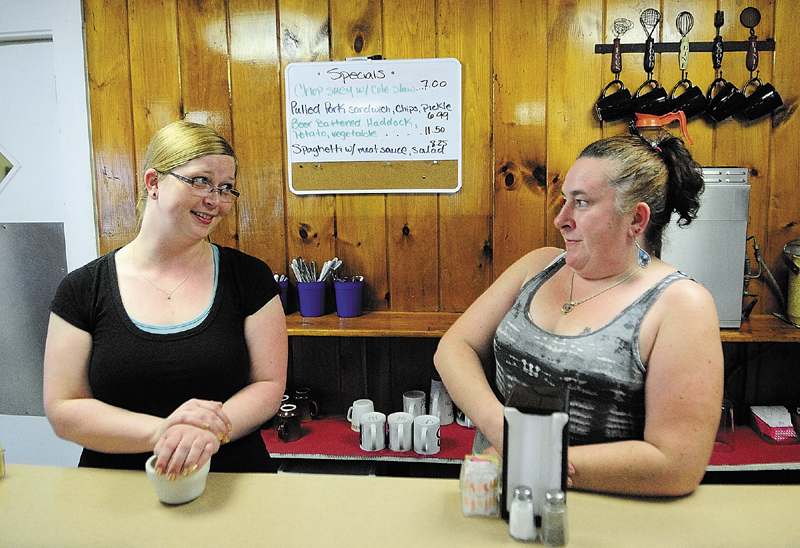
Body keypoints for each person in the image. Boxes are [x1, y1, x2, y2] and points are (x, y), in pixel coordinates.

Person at [434, 130, 723, 497]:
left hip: (599, 518)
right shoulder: (538, 266)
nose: (561, 218)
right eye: (565, 199)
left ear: (636, 219)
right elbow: (454, 346)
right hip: (494, 495)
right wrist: (503, 430)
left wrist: (535, 456)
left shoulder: (681, 305)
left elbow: (677, 464)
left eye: (582, 202)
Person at [43, 120, 287, 479]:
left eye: (226, 188)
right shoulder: (83, 289)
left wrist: (207, 433)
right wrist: (163, 433)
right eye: (201, 180)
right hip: (116, 491)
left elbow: (267, 384)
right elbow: (64, 407)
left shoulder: (248, 277)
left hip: (232, 479)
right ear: (153, 182)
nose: (215, 200)